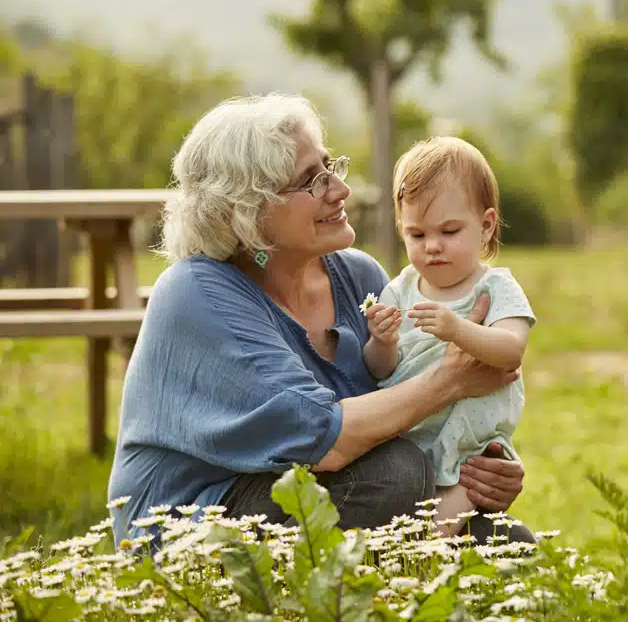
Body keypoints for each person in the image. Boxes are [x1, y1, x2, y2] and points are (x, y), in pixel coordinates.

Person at [107, 95, 530, 546]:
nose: (340, 190)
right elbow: (326, 441)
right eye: (311, 181)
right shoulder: (196, 293)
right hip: (198, 523)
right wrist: (453, 380)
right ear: (249, 212)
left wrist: (481, 465)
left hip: (327, 495)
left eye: (331, 168)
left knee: (510, 543)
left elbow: (401, 403)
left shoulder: (358, 276)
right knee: (396, 474)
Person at [364, 136, 535, 537]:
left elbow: (511, 351)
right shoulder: (399, 289)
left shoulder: (495, 288)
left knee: (434, 533)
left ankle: (419, 572)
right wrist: (383, 342)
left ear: (486, 225)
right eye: (417, 235)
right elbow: (378, 369)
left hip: (470, 447)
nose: (433, 247)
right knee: (400, 521)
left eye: (450, 230)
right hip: (411, 434)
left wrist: (459, 328)